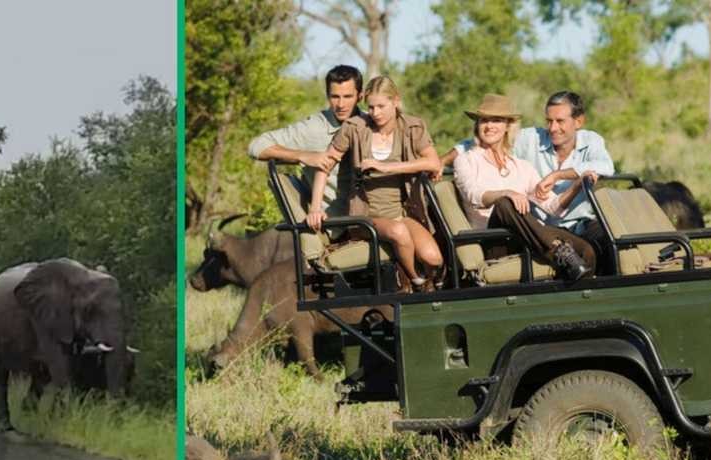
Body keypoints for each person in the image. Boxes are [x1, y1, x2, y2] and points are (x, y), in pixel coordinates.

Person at [442, 91, 615, 271]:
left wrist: (577, 184)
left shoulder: (521, 166)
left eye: (496, 121)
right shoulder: (466, 160)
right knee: (504, 204)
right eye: (484, 120)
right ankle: (557, 249)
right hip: (494, 237)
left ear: (508, 126)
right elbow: (474, 195)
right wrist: (507, 193)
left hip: (526, 235)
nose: (489, 126)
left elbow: (552, 207)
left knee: (586, 251)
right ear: (477, 125)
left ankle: (576, 290)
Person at [305, 76, 443, 291]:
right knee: (398, 233)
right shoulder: (355, 127)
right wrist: (314, 208)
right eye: (370, 107)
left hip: (402, 213)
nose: (375, 113)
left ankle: (428, 276)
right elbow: (324, 165)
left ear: (395, 101)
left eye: (381, 106)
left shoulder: (412, 126)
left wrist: (386, 167)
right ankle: (416, 280)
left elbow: (433, 161)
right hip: (367, 217)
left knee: (433, 258)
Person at [249, 64, 363, 227]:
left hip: (368, 212)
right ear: (327, 96)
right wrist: (304, 156)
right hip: (334, 223)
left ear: (360, 96)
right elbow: (257, 146)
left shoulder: (370, 122)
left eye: (347, 96)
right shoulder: (314, 128)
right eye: (335, 97)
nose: (340, 104)